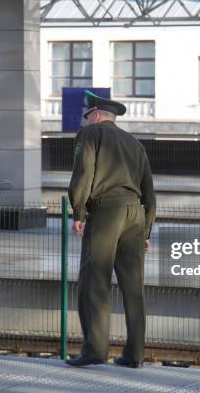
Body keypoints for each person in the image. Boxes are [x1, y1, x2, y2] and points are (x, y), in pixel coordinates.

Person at [65, 90, 156, 368]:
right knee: (133, 286)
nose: (87, 120)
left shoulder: (90, 135)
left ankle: (94, 350)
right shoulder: (134, 143)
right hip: (135, 214)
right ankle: (134, 355)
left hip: (106, 211)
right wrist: (147, 230)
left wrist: (78, 211)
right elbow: (149, 191)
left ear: (95, 115)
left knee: (95, 281)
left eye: (88, 115)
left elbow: (84, 173)